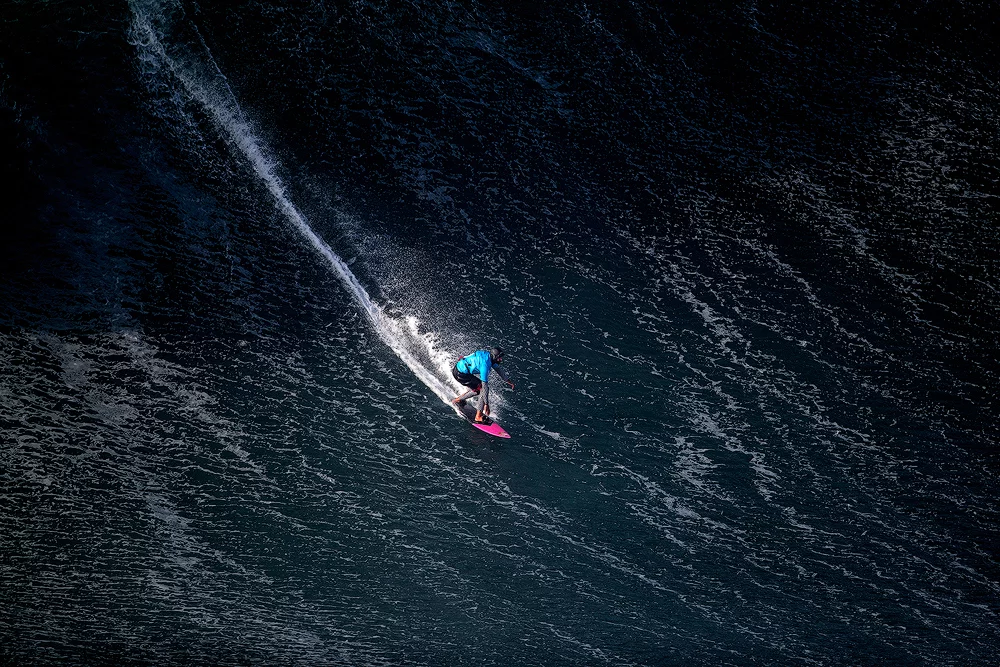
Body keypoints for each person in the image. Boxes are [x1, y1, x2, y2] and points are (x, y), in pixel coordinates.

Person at [451, 346, 514, 423]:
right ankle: (478, 417)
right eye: (499, 358)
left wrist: (507, 380)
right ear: (494, 357)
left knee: (478, 389)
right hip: (460, 374)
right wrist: (486, 404)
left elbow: (498, 369)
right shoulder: (485, 365)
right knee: (481, 390)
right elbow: (485, 387)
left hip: (460, 369)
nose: (501, 359)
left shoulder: (488, 356)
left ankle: (457, 400)